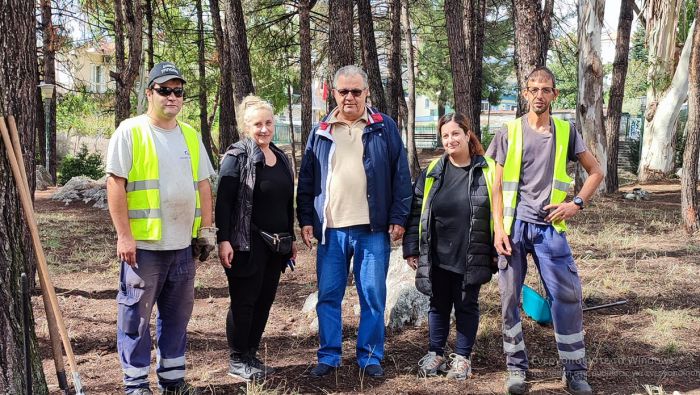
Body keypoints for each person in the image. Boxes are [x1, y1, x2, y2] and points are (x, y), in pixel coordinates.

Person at [486, 66, 603, 395]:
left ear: (554, 94)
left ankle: (574, 371)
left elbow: (596, 171)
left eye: (545, 90)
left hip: (550, 230)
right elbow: (496, 186)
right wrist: (498, 229)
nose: (539, 95)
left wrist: (575, 203)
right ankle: (516, 369)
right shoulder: (508, 131)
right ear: (525, 93)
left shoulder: (566, 131)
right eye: (533, 89)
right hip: (513, 229)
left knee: (566, 297)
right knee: (510, 299)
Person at [106, 61, 216, 395]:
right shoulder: (131, 131)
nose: (172, 97)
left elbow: (203, 186)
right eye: (164, 90)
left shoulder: (190, 135)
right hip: (144, 249)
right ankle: (137, 385)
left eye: (178, 91)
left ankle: (172, 381)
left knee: (177, 317)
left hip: (182, 247)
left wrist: (207, 230)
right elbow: (115, 184)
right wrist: (125, 235)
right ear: (149, 93)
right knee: (135, 319)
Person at [296, 65, 412, 378]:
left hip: (372, 231)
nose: (350, 97)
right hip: (331, 231)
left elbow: (401, 175)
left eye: (356, 91)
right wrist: (307, 218)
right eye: (343, 91)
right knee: (328, 295)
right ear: (334, 93)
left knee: (372, 296)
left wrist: (399, 216)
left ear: (366, 93)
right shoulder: (321, 130)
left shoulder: (383, 126)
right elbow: (308, 179)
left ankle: (370, 357)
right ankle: (329, 355)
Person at [402, 112, 496, 380]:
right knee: (438, 303)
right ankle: (436, 353)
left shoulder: (487, 170)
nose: (450, 139)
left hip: (471, 250)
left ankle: (463, 358)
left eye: (456, 133)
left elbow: (500, 213)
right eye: (445, 135)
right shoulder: (433, 171)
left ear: (467, 135)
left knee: (466, 303)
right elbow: (416, 211)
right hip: (436, 252)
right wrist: (411, 248)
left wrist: (496, 249)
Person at [215, 95, 296, 381]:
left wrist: (292, 238)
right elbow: (223, 203)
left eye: (268, 123)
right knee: (244, 301)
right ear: (245, 127)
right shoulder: (236, 157)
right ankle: (237, 358)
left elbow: (287, 202)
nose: (264, 129)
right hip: (245, 244)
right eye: (257, 124)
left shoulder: (281, 156)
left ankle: (250, 354)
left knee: (264, 300)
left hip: (276, 245)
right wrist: (223, 240)